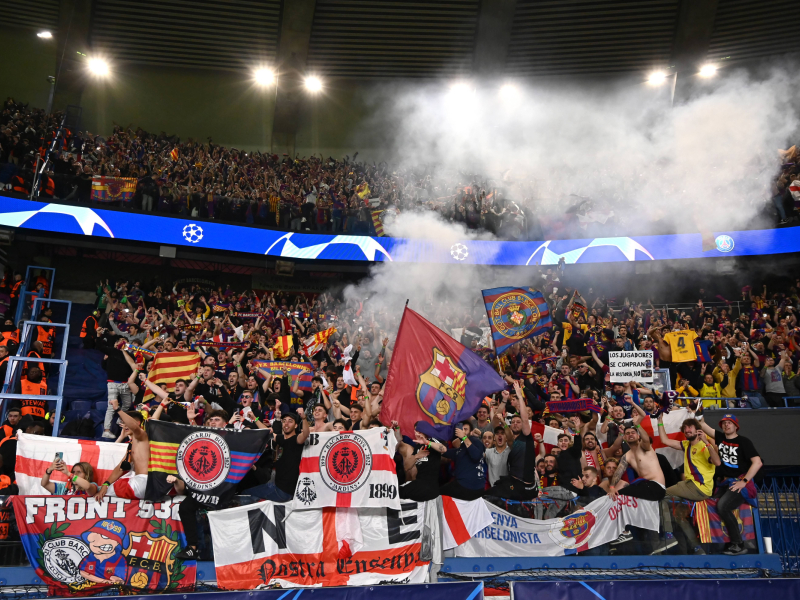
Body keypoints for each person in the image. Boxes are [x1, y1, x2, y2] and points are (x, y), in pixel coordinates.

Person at [699, 413, 762, 555]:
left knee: (723, 506)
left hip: (739, 481)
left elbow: (757, 462)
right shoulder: (720, 438)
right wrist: (696, 410)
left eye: (730, 423)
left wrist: (744, 482)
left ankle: (739, 544)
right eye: (724, 423)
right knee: (709, 501)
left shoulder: (744, 441)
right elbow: (702, 424)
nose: (726, 425)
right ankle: (718, 543)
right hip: (725, 482)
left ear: (736, 426)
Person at [657, 415, 721, 554]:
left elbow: (717, 462)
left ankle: (668, 534)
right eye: (685, 428)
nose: (687, 430)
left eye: (690, 427)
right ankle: (697, 548)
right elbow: (665, 440)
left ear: (698, 430)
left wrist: (707, 442)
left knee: (661, 495)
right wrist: (660, 422)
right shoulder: (686, 445)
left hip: (698, 487)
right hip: (691, 487)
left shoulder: (704, 446)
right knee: (679, 516)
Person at [243, 408, 309, 503]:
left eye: (290, 421)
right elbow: (266, 431)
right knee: (250, 494)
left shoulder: (296, 440)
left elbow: (305, 434)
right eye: (284, 421)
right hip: (277, 486)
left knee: (246, 493)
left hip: (284, 490)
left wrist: (304, 418)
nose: (286, 423)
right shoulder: (282, 439)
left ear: (296, 425)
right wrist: (254, 418)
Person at [398, 421, 446, 502]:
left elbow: (444, 449)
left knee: (399, 493)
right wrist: (417, 456)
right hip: (419, 484)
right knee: (396, 491)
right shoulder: (417, 448)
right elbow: (407, 468)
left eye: (419, 431)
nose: (417, 434)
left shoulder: (432, 441)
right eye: (416, 431)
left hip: (431, 485)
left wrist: (427, 442)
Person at [439, 422, 486, 500]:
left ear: (471, 432)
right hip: (463, 486)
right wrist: (429, 443)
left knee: (439, 495)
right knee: (439, 493)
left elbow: (476, 456)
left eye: (465, 429)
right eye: (461, 429)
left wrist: (464, 437)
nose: (462, 431)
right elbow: (445, 451)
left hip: (472, 487)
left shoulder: (475, 441)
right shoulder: (461, 449)